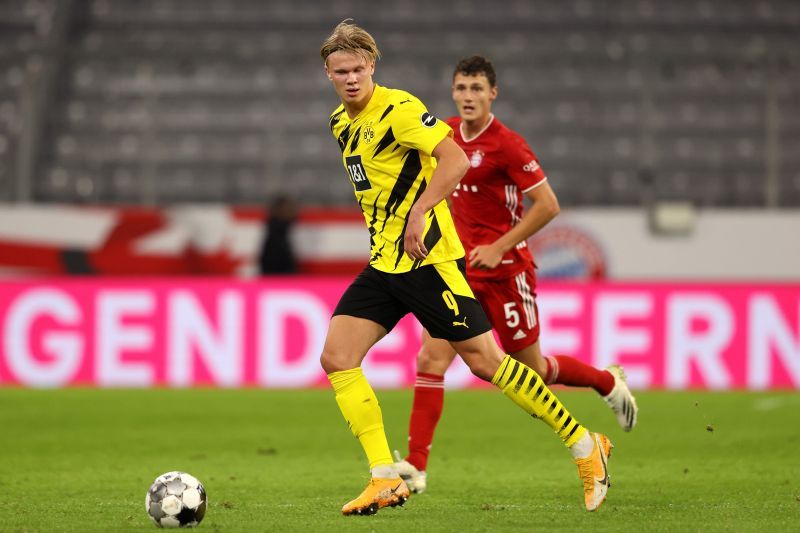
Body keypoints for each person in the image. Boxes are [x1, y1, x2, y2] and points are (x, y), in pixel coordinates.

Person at [319, 21, 614, 516]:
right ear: (327, 73)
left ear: (373, 66)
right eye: (340, 71)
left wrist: (418, 212)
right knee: (337, 357)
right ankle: (383, 477)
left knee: (487, 363)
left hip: (428, 260)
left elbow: (454, 161)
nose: (350, 79)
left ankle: (586, 444)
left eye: (358, 69)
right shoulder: (340, 122)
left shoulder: (399, 109)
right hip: (386, 264)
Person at [392, 56, 639, 496]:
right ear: (453, 92)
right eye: (461, 88)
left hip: (506, 273)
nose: (468, 97)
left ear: (493, 94)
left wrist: (500, 246)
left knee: (534, 372)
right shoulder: (445, 134)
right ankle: (415, 467)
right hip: (460, 273)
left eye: (477, 89)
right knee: (430, 360)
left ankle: (606, 381)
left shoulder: (507, 145)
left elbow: (548, 204)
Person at [258, 195, 298, 275]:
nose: (292, 211)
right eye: (288, 209)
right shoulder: (276, 229)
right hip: (276, 273)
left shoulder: (281, 229)